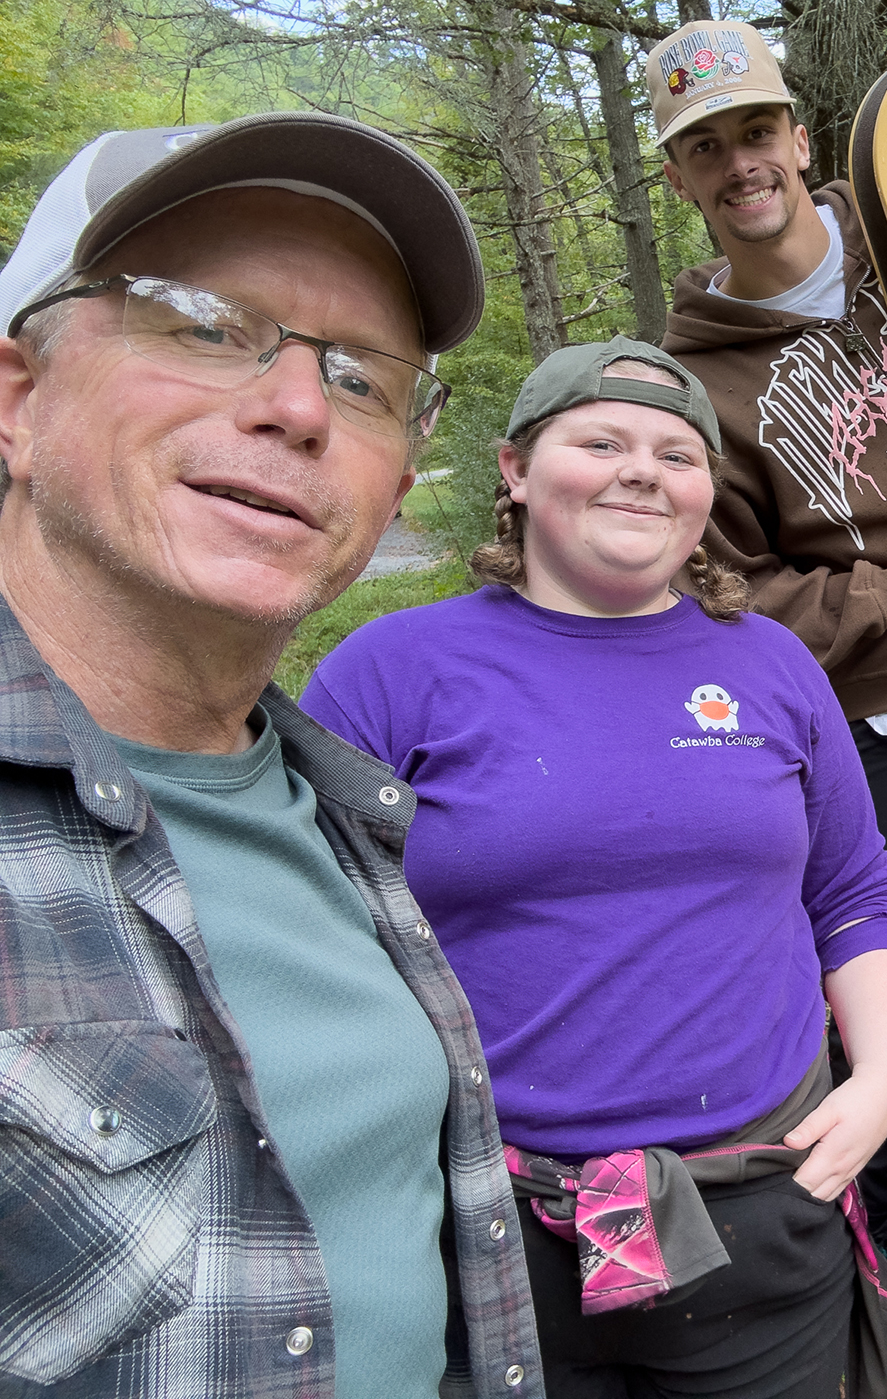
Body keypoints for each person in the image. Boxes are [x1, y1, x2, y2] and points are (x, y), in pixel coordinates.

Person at [0, 116, 541, 1396]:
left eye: (361, 377)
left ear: (398, 484)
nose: (298, 406)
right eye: (202, 321)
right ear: (18, 400)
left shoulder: (338, 814)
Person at [300, 337, 887, 1399]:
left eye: (677, 455)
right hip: (491, 1220)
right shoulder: (392, 674)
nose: (643, 470)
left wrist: (884, 1079)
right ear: (514, 471)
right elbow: (311, 936)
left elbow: (851, 889)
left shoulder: (769, 664)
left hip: (760, 1198)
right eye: (600, 440)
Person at [645, 20, 887, 1340]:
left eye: (756, 131)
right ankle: (872, 1265)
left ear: (800, 138)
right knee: (851, 1000)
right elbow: (725, 591)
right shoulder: (694, 374)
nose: (741, 163)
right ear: (685, 181)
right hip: (870, 731)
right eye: (707, 149)